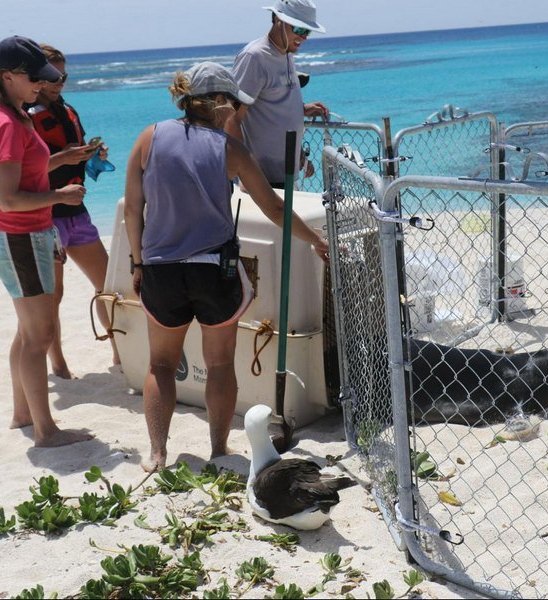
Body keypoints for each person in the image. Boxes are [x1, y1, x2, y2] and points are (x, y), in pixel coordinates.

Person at [125, 62, 329, 471]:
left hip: (161, 270)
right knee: (219, 364)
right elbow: (273, 207)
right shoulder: (230, 149)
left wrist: (137, 260)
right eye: (237, 104)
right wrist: (316, 241)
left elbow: (134, 207)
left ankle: (157, 454)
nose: (241, 112)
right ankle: (219, 450)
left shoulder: (148, 137)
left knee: (161, 365)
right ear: (219, 103)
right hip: (213, 270)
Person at [0, 36, 93, 447]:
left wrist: (63, 159)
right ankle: (46, 431)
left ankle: (22, 414)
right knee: (39, 335)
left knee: (28, 333)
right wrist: (59, 197)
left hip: (25, 235)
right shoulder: (8, 124)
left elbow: (30, 166)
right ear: (7, 77)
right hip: (19, 236)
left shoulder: (15, 114)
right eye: (34, 78)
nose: (41, 86)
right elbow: (9, 198)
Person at [27, 44, 120, 379]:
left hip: (77, 214)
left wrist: (91, 155)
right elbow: (24, 172)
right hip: (46, 216)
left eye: (63, 75)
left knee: (109, 285)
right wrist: (65, 157)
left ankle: (119, 350)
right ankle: (59, 363)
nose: (60, 82)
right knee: (55, 295)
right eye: (53, 76)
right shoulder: (26, 116)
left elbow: (73, 158)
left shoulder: (68, 111)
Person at [225, 0, 329, 188]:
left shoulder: (286, 53)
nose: (304, 37)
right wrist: (248, 172)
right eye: (299, 29)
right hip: (263, 180)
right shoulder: (255, 57)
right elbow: (231, 118)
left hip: (287, 174)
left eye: (307, 31)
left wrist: (302, 109)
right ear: (276, 19)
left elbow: (269, 100)